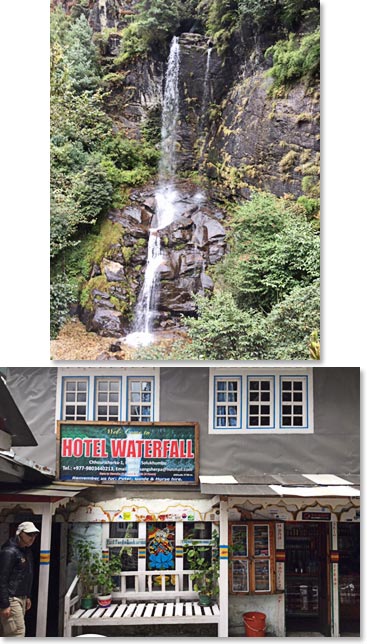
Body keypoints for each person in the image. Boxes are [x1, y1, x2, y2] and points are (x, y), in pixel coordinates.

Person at [0, 521, 39, 637]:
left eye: (34, 535)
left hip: (20, 596)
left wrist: (27, 595)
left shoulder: (26, 551)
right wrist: (5, 604)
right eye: (29, 534)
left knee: (8, 632)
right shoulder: (9, 552)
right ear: (20, 533)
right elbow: (2, 579)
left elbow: (26, 575)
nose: (32, 538)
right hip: (11, 597)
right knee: (17, 633)